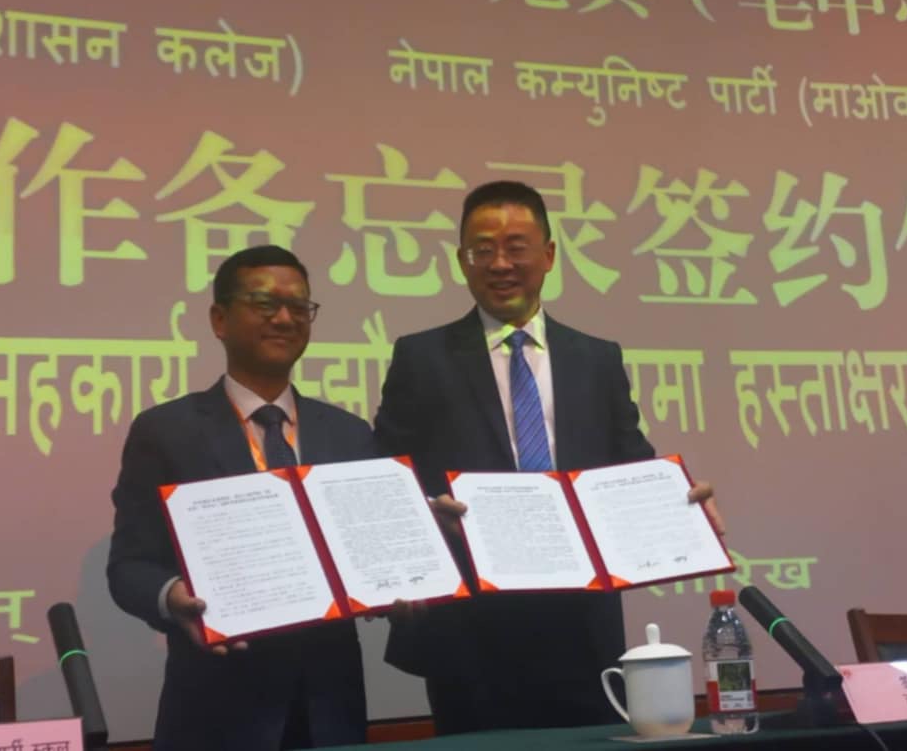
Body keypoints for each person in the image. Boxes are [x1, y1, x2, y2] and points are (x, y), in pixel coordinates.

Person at [375, 180, 722, 733]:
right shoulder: (422, 357)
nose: (499, 263)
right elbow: (387, 478)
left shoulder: (596, 359)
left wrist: (679, 506)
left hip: (580, 625)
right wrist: (426, 515)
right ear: (461, 261)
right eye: (482, 250)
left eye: (516, 246)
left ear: (550, 255)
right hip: (469, 632)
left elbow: (632, 466)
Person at [107, 246, 373, 751]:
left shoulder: (350, 434)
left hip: (329, 709)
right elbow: (129, 567)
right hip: (216, 707)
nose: (285, 318)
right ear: (219, 319)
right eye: (264, 303)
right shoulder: (166, 431)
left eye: (299, 306)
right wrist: (173, 597)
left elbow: (371, 547)